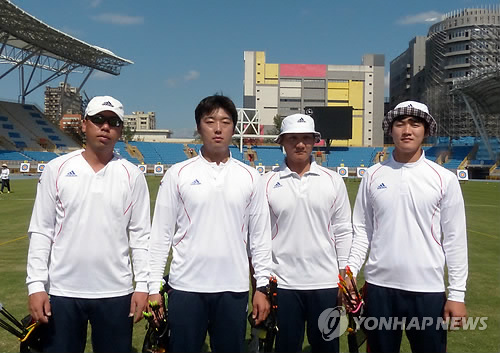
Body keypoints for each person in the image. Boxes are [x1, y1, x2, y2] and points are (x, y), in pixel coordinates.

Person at [148, 94, 272, 353]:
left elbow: (260, 239)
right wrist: (153, 287)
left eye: (225, 122)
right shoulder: (178, 174)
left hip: (233, 289)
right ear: (198, 127)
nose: (218, 128)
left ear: (234, 128)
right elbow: (160, 235)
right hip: (186, 288)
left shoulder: (250, 176)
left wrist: (262, 287)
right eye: (210, 121)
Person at [26, 96, 151, 353]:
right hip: (63, 291)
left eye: (113, 122)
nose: (105, 127)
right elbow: (41, 229)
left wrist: (142, 286)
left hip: (116, 292)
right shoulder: (56, 169)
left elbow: (140, 236)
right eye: (98, 120)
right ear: (84, 125)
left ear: (120, 129)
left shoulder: (132, 175)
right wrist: (36, 285)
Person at [347, 101, 468, 353]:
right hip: (379, 289)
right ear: (391, 130)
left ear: (426, 130)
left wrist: (457, 294)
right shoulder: (372, 175)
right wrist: (350, 273)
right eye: (400, 124)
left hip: (427, 290)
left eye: (415, 124)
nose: (407, 130)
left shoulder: (443, 178)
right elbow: (362, 230)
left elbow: (455, 239)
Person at [259, 113, 353, 352]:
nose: (300, 144)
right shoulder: (266, 182)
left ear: (315, 141)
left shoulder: (333, 181)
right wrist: (262, 283)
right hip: (284, 284)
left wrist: (343, 279)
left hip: (326, 284)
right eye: (293, 138)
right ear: (281, 141)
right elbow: (259, 236)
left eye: (306, 138)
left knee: (327, 348)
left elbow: (343, 231)